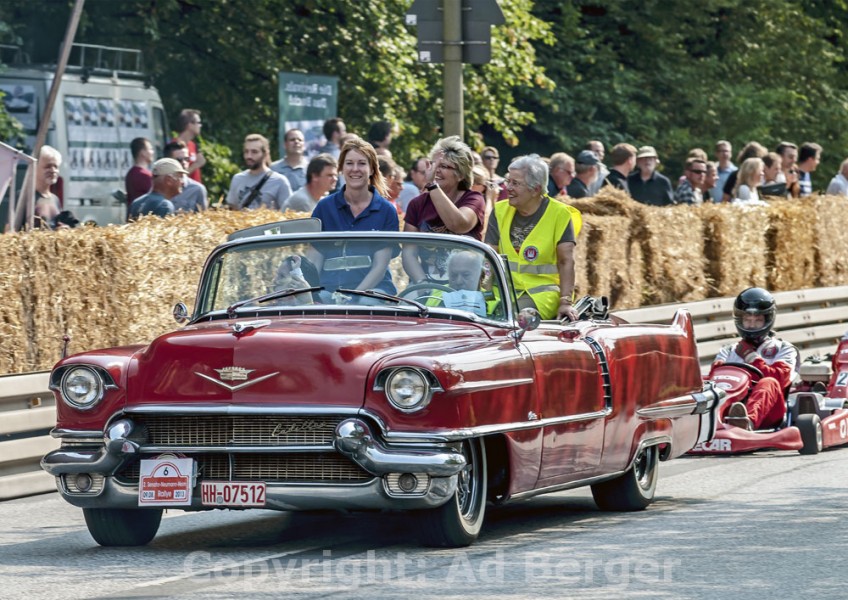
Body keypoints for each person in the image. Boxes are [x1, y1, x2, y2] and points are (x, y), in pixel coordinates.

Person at [485, 154, 579, 322]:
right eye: (508, 182)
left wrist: (565, 302)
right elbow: (489, 255)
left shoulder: (560, 214)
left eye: (515, 183)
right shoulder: (499, 210)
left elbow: (566, 261)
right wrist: (479, 292)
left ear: (536, 189)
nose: (508, 188)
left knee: (509, 320)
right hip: (504, 293)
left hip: (540, 295)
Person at [310, 137, 400, 296]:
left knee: (368, 302)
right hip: (329, 291)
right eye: (349, 163)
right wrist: (309, 293)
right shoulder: (324, 208)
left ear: (372, 169)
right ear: (342, 169)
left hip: (373, 291)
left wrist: (353, 296)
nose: (355, 169)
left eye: (362, 163)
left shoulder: (386, 211)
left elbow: (379, 267)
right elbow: (315, 260)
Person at [401, 136, 486, 283]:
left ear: (460, 174)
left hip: (464, 285)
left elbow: (459, 225)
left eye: (444, 166)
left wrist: (432, 186)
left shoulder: (474, 199)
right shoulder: (417, 204)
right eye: (434, 165)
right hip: (424, 282)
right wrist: (422, 284)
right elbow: (409, 253)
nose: (436, 171)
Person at [711, 287, 797, 430]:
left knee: (769, 381)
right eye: (747, 319)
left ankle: (746, 423)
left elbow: (780, 380)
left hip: (770, 411)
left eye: (757, 320)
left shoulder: (784, 348)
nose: (751, 325)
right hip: (731, 404)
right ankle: (706, 425)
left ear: (768, 319)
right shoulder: (728, 350)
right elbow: (715, 378)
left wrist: (751, 357)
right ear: (740, 320)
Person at [226, 134, 293, 210]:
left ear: (265, 154)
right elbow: (233, 209)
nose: (249, 156)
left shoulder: (279, 181)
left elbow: (288, 213)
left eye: (254, 152)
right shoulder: (237, 179)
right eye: (246, 151)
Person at [34, 145, 78, 229]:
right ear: (35, 168)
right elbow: (11, 233)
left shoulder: (55, 199)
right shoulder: (24, 198)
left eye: (56, 167)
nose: (53, 170)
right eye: (48, 166)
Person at [162, 140, 208, 213]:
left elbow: (203, 219)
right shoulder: (159, 187)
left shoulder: (197, 189)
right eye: (179, 160)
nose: (184, 163)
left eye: (186, 159)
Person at [173, 109, 205, 183]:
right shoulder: (175, 146)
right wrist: (196, 164)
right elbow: (176, 176)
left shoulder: (193, 145)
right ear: (189, 125)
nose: (200, 125)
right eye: (198, 122)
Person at [125, 137, 153, 205]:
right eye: (150, 149)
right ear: (143, 153)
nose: (153, 152)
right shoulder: (145, 176)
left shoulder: (130, 174)